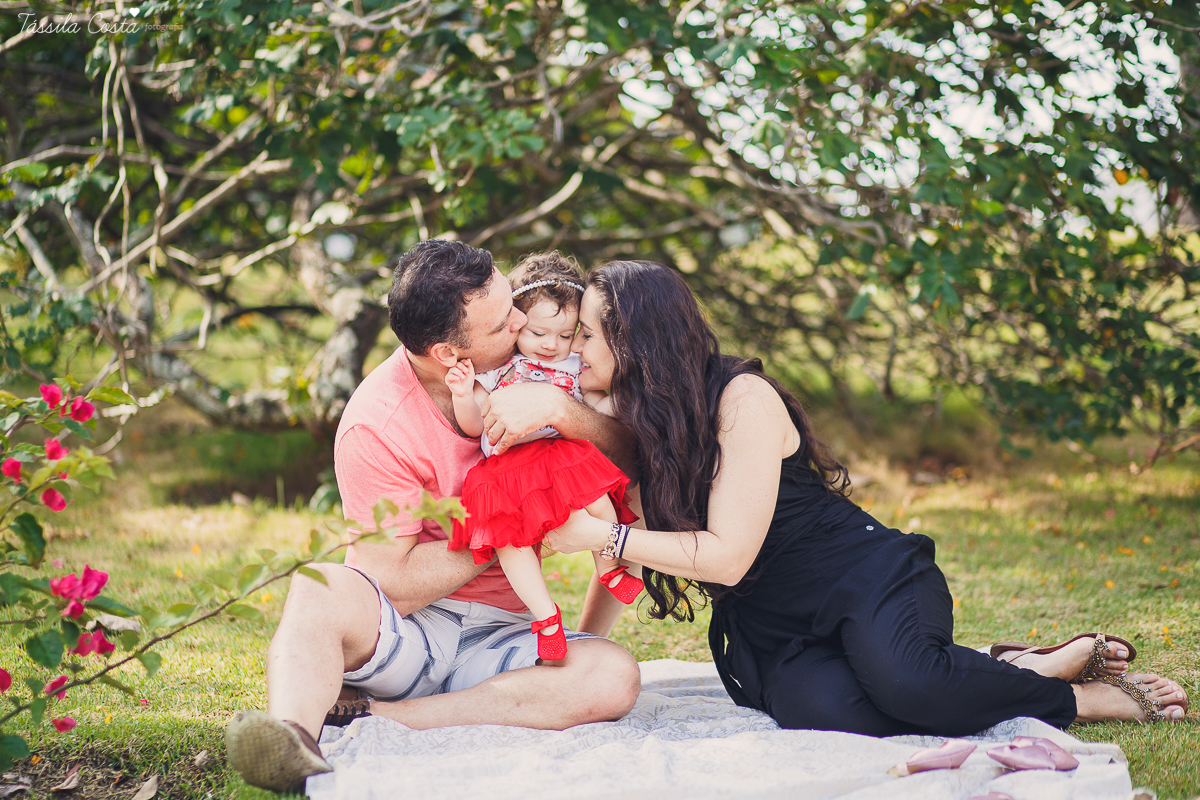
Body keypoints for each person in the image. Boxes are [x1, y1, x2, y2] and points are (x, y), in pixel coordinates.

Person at [545, 259, 1189, 735]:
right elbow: (621, 548)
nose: (574, 350)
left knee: (914, 686)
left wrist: (603, 536)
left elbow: (724, 557)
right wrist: (583, 644)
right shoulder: (633, 424)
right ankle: (1008, 665)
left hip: (863, 576)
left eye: (586, 335)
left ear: (638, 340)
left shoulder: (741, 401)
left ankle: (1074, 696)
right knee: (829, 712)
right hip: (769, 624)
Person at [225, 241, 641, 793]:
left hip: (504, 634)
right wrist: (510, 516)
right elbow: (392, 583)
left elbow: (634, 462)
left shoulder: (545, 369)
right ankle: (292, 738)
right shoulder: (377, 424)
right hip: (413, 631)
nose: (521, 319)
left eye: (511, 300)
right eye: (501, 324)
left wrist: (564, 413)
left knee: (614, 676)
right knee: (318, 586)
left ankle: (375, 721)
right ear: (450, 354)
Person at [446, 253, 643, 661]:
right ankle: (545, 617)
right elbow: (474, 426)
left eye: (566, 334)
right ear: (516, 322)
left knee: (599, 500)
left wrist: (622, 403)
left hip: (560, 455)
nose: (552, 345)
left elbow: (594, 403)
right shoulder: (502, 368)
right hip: (508, 469)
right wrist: (463, 396)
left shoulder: (575, 364)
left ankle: (609, 569)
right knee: (510, 542)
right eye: (539, 333)